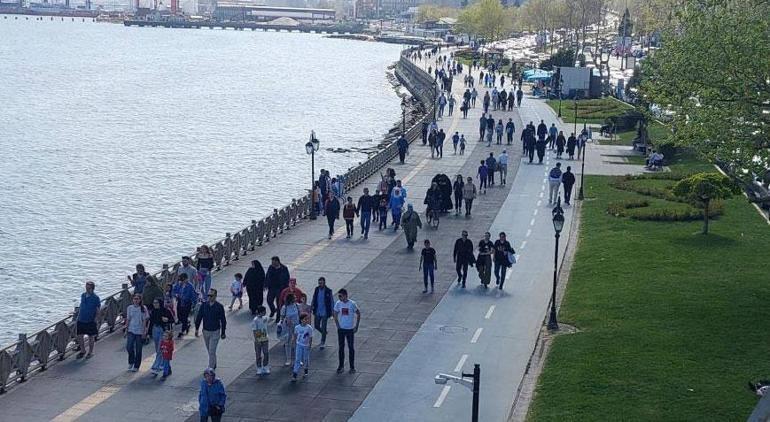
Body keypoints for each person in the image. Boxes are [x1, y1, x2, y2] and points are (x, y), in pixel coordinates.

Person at [195, 289, 227, 370]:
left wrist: (223, 332)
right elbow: (199, 317)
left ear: (215, 296)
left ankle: (210, 368)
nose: (209, 297)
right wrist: (196, 329)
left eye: (211, 296)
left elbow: (223, 320)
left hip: (215, 331)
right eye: (208, 295)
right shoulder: (204, 305)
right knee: (209, 350)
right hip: (206, 331)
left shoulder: (219, 307)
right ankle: (213, 362)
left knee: (212, 350)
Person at [334, 288, 360, 374]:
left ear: (345, 295)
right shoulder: (338, 303)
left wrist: (356, 326)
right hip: (341, 329)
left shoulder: (352, 304)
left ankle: (352, 367)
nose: (339, 298)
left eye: (340, 296)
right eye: (339, 296)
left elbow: (358, 313)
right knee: (341, 348)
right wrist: (337, 325)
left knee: (351, 348)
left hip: (350, 329)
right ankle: (341, 366)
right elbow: (335, 313)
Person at [149, 297, 174, 375]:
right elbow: (151, 322)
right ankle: (167, 367)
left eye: (156, 303)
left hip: (163, 331)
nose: (155, 304)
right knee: (158, 349)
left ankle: (156, 366)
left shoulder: (166, 311)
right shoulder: (153, 311)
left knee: (160, 348)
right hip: (155, 330)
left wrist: (167, 319)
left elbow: (172, 320)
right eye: (154, 303)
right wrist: (148, 333)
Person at [125, 293, 149, 372]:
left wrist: (144, 331)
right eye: (134, 299)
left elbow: (144, 320)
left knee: (139, 349)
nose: (136, 300)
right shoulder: (129, 308)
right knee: (129, 347)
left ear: (140, 300)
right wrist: (126, 329)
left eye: (137, 299)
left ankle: (136, 365)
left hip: (139, 330)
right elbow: (128, 319)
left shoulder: (143, 308)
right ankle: (131, 361)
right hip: (131, 330)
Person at [311, 277, 333, 349]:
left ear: (324, 283)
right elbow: (314, 298)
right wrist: (312, 306)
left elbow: (331, 301)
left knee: (324, 327)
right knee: (316, 325)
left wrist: (332, 311)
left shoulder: (328, 291)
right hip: (317, 311)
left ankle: (322, 341)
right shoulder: (316, 289)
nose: (320, 284)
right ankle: (324, 333)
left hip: (325, 312)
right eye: (319, 283)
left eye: (321, 283)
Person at [279, 293, 300, 366]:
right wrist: (286, 320)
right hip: (288, 326)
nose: (296, 299)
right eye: (294, 298)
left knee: (296, 342)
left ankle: (297, 359)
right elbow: (281, 317)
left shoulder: (296, 305)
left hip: (296, 326)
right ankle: (288, 359)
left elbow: (300, 314)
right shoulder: (285, 307)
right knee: (288, 342)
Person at [173, 273, 197, 338]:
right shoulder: (179, 285)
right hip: (180, 302)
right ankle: (187, 324)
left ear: (186, 279)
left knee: (184, 316)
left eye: (183, 279)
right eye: (181, 280)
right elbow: (174, 290)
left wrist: (194, 304)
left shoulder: (190, 286)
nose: (182, 281)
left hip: (187, 303)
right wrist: (176, 295)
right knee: (179, 316)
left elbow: (193, 295)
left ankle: (183, 330)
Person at [291, 313, 313, 382]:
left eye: (307, 319)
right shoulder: (297, 327)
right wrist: (293, 344)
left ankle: (306, 368)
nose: (306, 320)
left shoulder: (309, 328)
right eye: (305, 319)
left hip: (306, 346)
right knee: (297, 359)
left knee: (305, 359)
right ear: (301, 320)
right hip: (299, 345)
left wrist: (310, 345)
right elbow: (295, 336)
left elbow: (310, 337)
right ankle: (295, 373)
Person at [252, 305, 270, 375]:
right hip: (258, 337)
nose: (265, 313)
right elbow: (254, 330)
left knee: (266, 353)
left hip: (265, 337)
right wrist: (257, 340)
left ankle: (265, 366)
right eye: (264, 312)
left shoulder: (265, 318)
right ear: (260, 312)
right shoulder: (255, 320)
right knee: (258, 354)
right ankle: (259, 367)